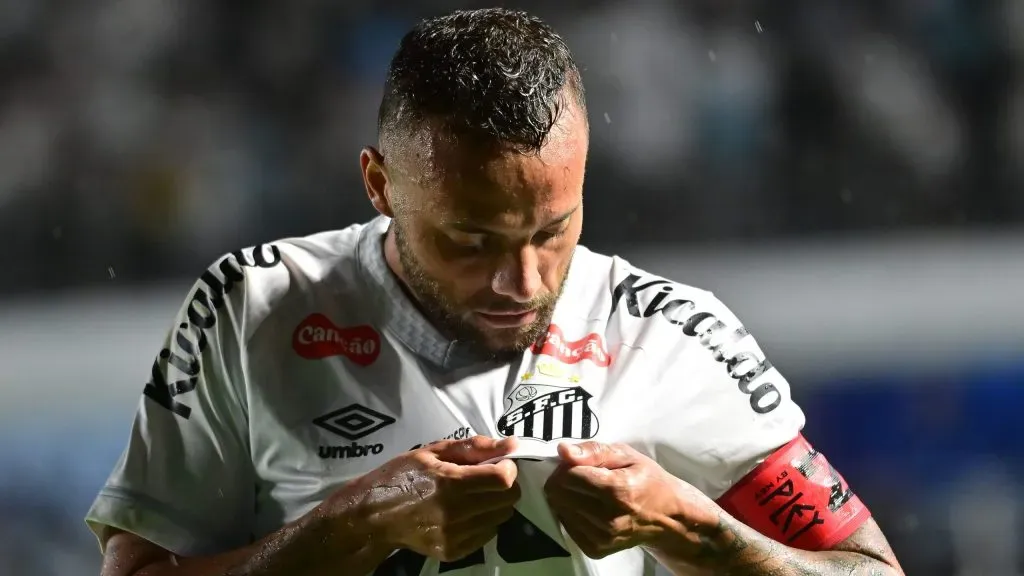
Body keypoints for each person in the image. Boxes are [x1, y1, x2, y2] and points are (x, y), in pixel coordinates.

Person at [87, 8, 904, 576]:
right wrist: (359, 522)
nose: (523, 282)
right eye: (471, 241)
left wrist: (685, 523)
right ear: (380, 185)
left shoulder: (669, 334)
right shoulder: (254, 307)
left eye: (553, 230)